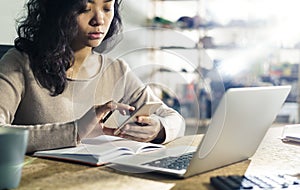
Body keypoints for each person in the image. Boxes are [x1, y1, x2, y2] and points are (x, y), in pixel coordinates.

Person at [0, 0, 185, 153]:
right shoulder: (18, 63)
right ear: (57, 12)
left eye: (107, 8)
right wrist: (76, 130)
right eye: (84, 9)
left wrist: (158, 129)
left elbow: (174, 118)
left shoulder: (116, 69)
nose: (99, 20)